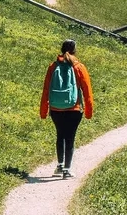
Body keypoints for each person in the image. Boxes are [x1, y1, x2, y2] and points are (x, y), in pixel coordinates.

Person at [40, 39, 94, 179]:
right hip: (74, 108)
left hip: (56, 108)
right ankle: (67, 169)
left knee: (60, 135)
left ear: (61, 49)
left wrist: (44, 110)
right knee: (70, 138)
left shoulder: (53, 66)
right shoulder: (79, 67)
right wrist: (88, 111)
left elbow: (46, 89)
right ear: (75, 50)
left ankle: (59, 165)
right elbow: (87, 91)